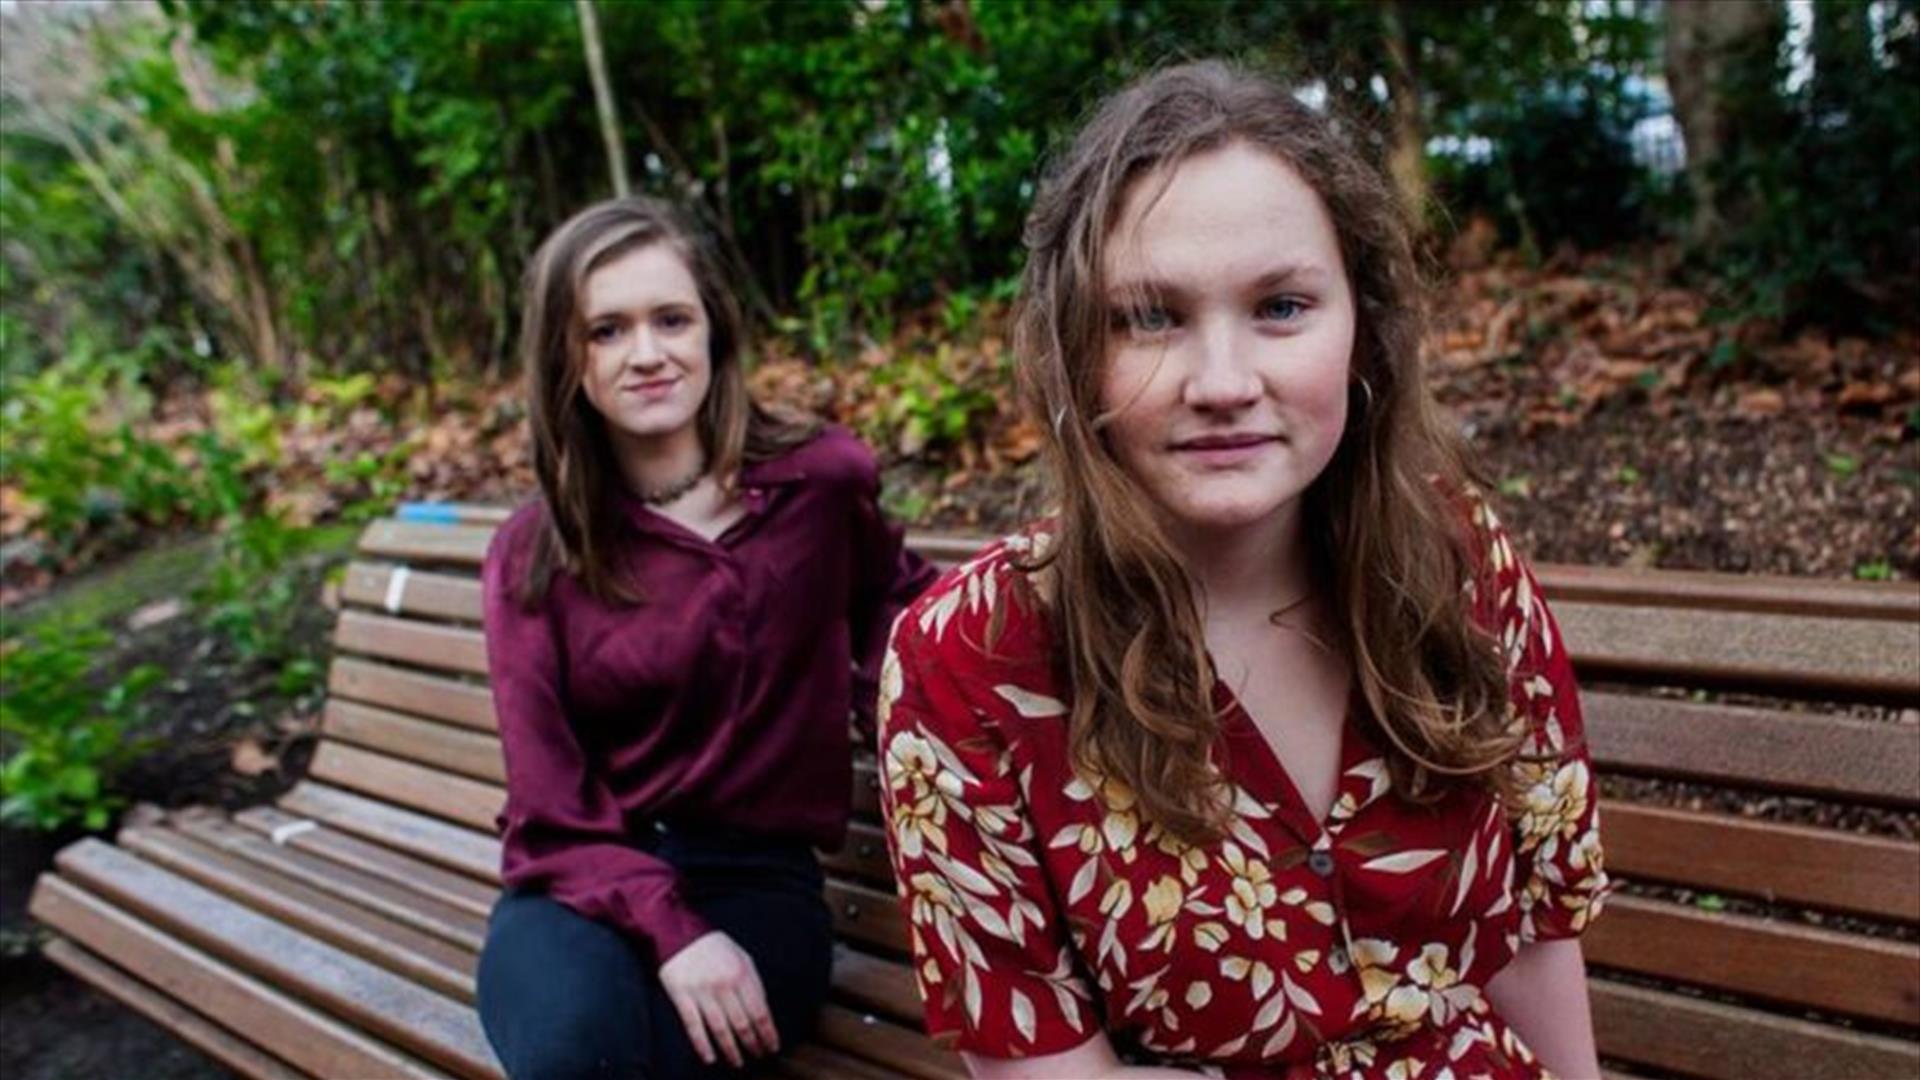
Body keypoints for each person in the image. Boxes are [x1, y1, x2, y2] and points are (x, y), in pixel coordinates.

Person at [876, 61, 1608, 1080]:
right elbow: (1028, 1049)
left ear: (1364, 325)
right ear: (1071, 346)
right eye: (1149, 316)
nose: (1222, 384)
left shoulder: (1458, 563)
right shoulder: (972, 659)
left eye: (1281, 307)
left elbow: (1534, 931)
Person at [476, 196, 937, 1080]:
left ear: (714, 330)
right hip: (582, 877)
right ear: (564, 360)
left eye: (670, 319)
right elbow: (549, 800)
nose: (646, 354)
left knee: (659, 1064)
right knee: (576, 1053)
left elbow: (901, 608)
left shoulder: (815, 486)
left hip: (756, 881)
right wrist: (672, 931)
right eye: (606, 330)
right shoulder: (535, 557)